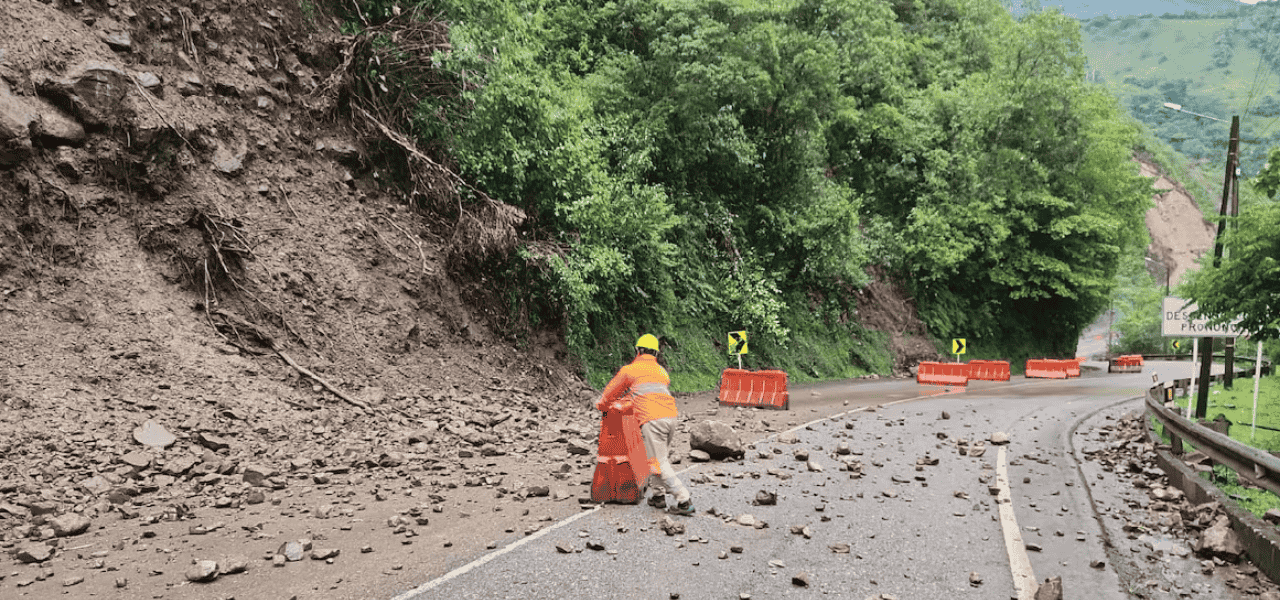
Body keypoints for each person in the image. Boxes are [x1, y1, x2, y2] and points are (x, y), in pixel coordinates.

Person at [594, 333, 694, 515]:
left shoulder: (630, 370)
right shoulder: (662, 372)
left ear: (637, 350)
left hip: (652, 420)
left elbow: (610, 393)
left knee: (658, 461)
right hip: (671, 417)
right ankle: (658, 496)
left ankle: (683, 499)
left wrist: (601, 405)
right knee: (657, 458)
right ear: (655, 353)